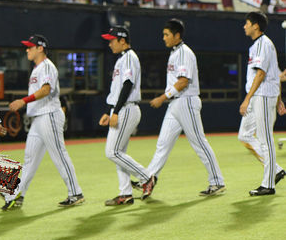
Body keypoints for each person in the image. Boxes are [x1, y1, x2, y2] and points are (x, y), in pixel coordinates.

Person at [145, 19, 225, 197]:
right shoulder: (175, 53)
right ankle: (148, 178)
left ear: (177, 35)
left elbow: (183, 81)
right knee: (162, 144)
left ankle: (217, 181)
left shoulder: (184, 53)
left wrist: (162, 98)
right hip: (175, 103)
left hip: (186, 101)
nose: (163, 38)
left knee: (199, 143)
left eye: (167, 34)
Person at [2, 34, 84, 209]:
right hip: (39, 118)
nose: (27, 50)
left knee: (59, 154)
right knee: (30, 158)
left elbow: (46, 90)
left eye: (30, 47)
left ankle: (76, 193)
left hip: (49, 115)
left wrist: (23, 101)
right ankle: (18, 195)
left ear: (40, 48)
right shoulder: (37, 68)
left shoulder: (47, 66)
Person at [99, 26, 154, 206]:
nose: (109, 44)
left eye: (112, 40)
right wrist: (109, 111)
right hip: (121, 108)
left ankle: (146, 177)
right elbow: (117, 89)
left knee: (112, 152)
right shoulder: (122, 59)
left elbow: (128, 85)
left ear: (122, 41)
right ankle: (126, 193)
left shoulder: (129, 57)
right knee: (118, 153)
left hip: (127, 108)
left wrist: (115, 111)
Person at [238, 12, 286, 195]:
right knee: (244, 135)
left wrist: (247, 98)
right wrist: (279, 100)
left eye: (247, 23)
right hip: (261, 96)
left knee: (265, 139)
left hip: (263, 95)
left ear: (255, 26)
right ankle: (276, 170)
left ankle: (268, 185)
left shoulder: (263, 44)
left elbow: (261, 74)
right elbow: (276, 74)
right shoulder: (257, 45)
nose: (244, 26)